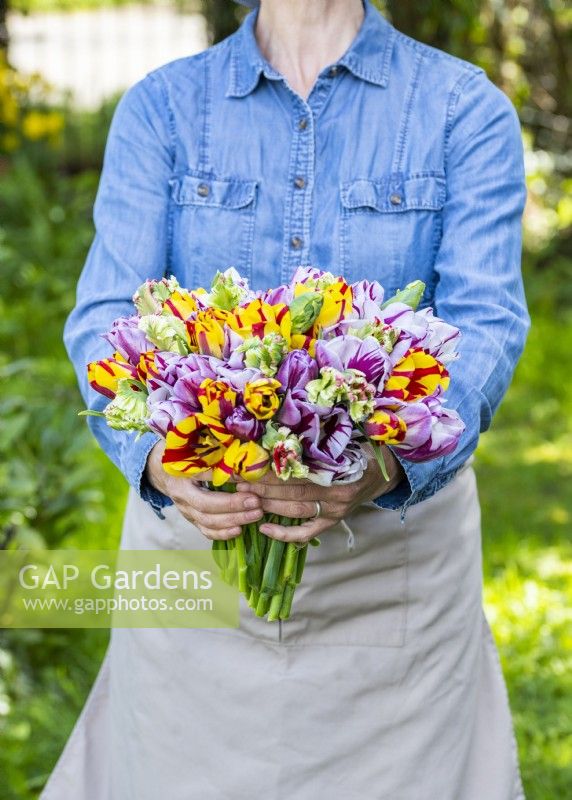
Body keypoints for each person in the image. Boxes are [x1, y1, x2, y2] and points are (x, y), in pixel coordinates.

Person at [42, 0, 529, 797]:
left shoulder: (462, 107)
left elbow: (486, 327)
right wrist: (162, 463)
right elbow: (107, 319)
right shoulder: (164, 108)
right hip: (201, 550)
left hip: (389, 564)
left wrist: (380, 463)